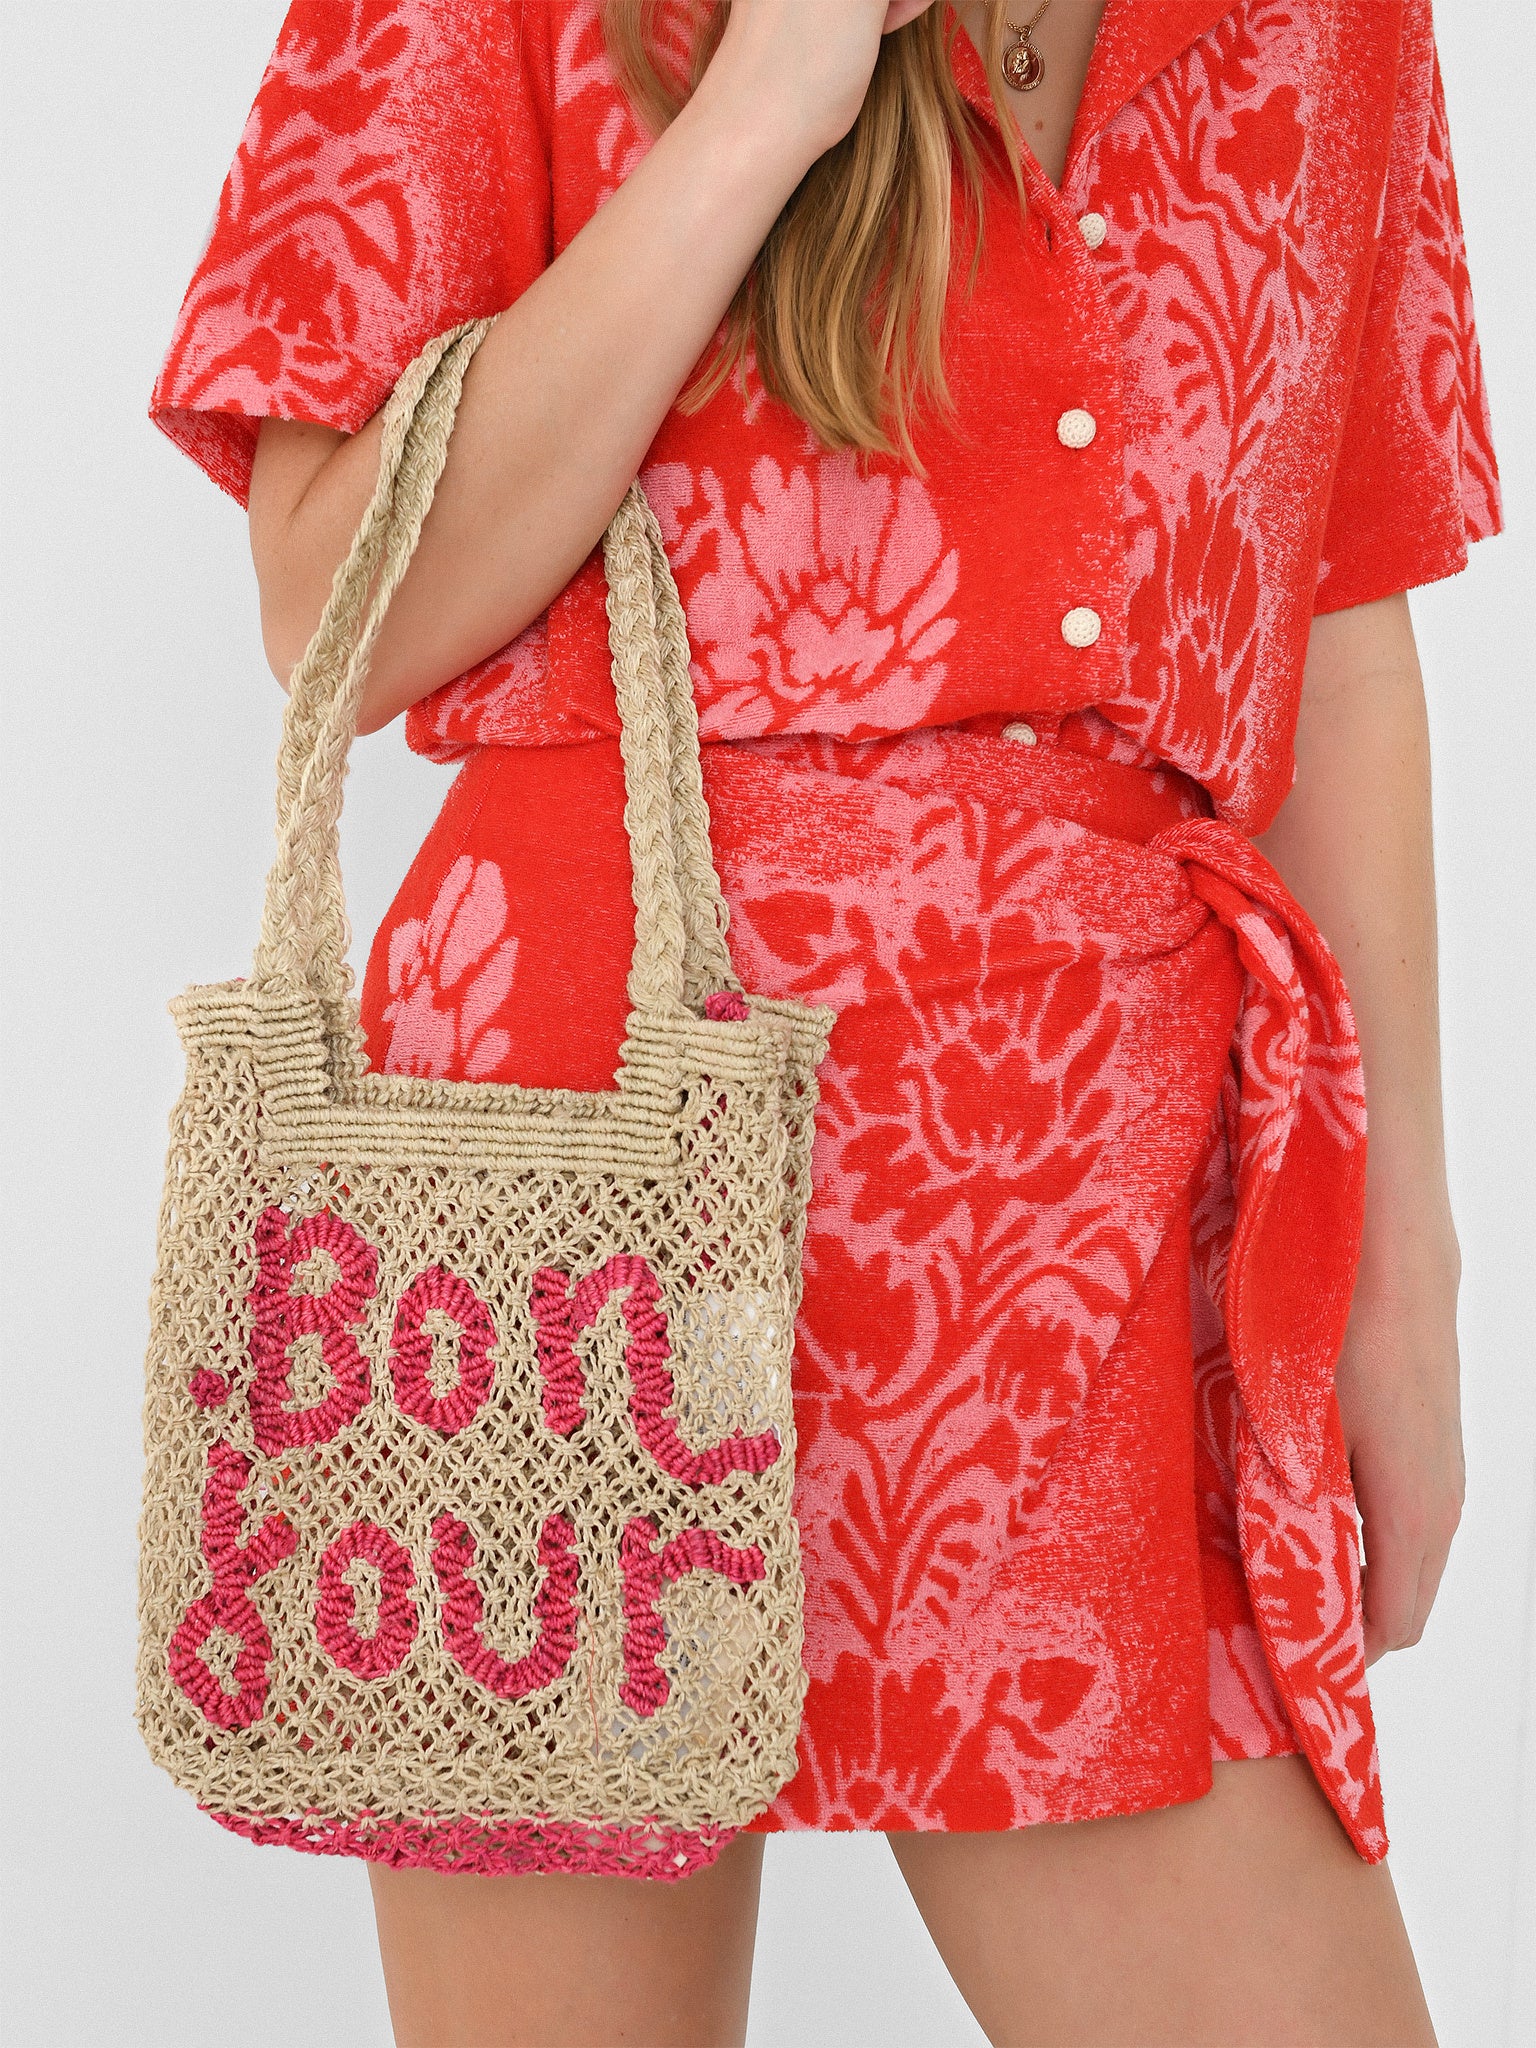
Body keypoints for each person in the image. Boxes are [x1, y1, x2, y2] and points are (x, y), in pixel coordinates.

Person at [150, 1, 1501, 2042]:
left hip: (1109, 1181)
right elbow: (335, 609)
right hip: (564, 1184)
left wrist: (1406, 1272)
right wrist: (763, 106)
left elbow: (1338, 621)